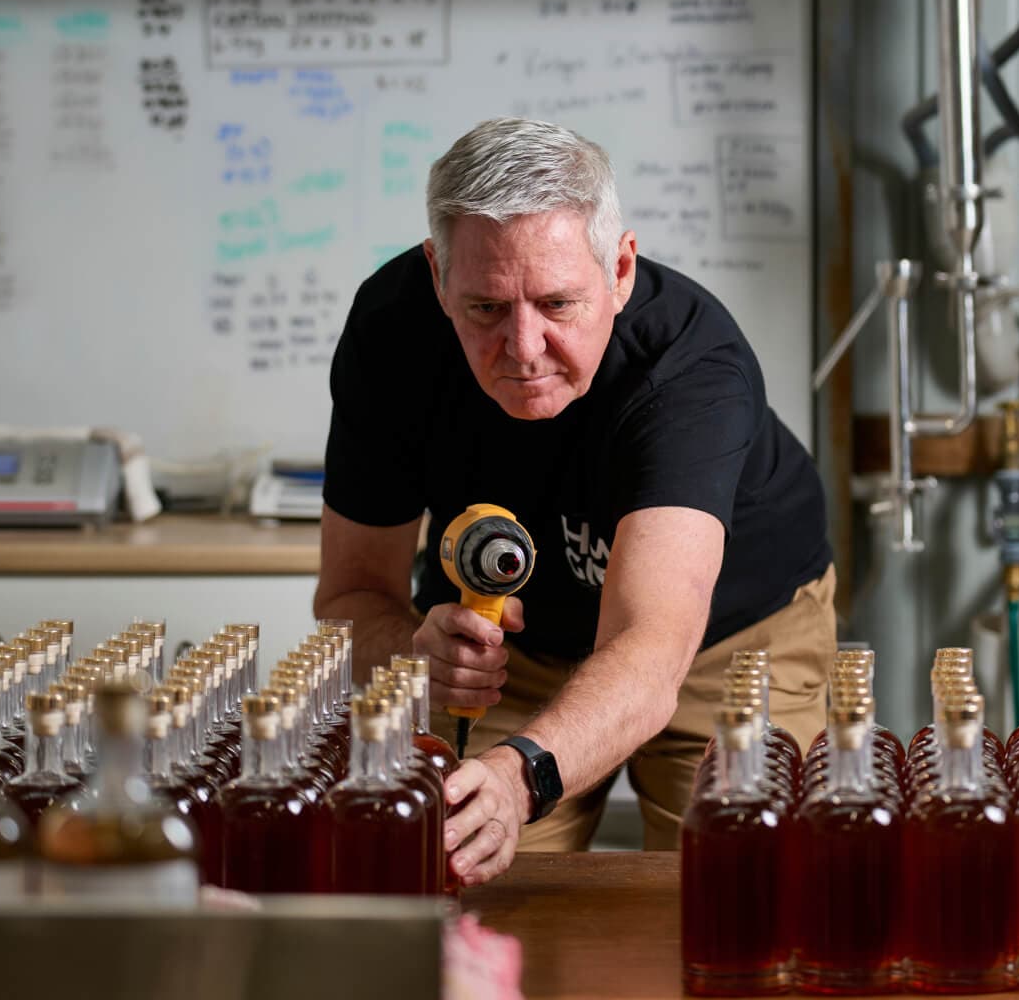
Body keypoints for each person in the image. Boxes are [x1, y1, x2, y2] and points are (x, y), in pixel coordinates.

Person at [316, 117, 834, 887]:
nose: (524, 351)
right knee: (466, 884)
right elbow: (351, 597)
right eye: (486, 309)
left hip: (722, 642)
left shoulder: (689, 366)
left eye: (558, 305)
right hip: (505, 649)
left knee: (743, 894)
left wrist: (521, 774)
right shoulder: (392, 334)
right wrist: (413, 654)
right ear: (437, 275)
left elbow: (652, 650)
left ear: (620, 271)